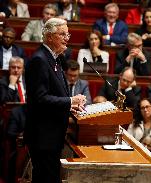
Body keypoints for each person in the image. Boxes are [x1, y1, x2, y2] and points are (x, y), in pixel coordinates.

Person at [24, 18, 86, 183]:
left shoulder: (55, 59)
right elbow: (40, 99)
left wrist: (69, 107)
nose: (67, 38)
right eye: (62, 34)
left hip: (51, 135)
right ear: (49, 36)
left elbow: (54, 94)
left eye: (68, 34)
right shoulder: (40, 60)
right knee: (46, 178)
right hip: (42, 135)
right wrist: (70, 101)